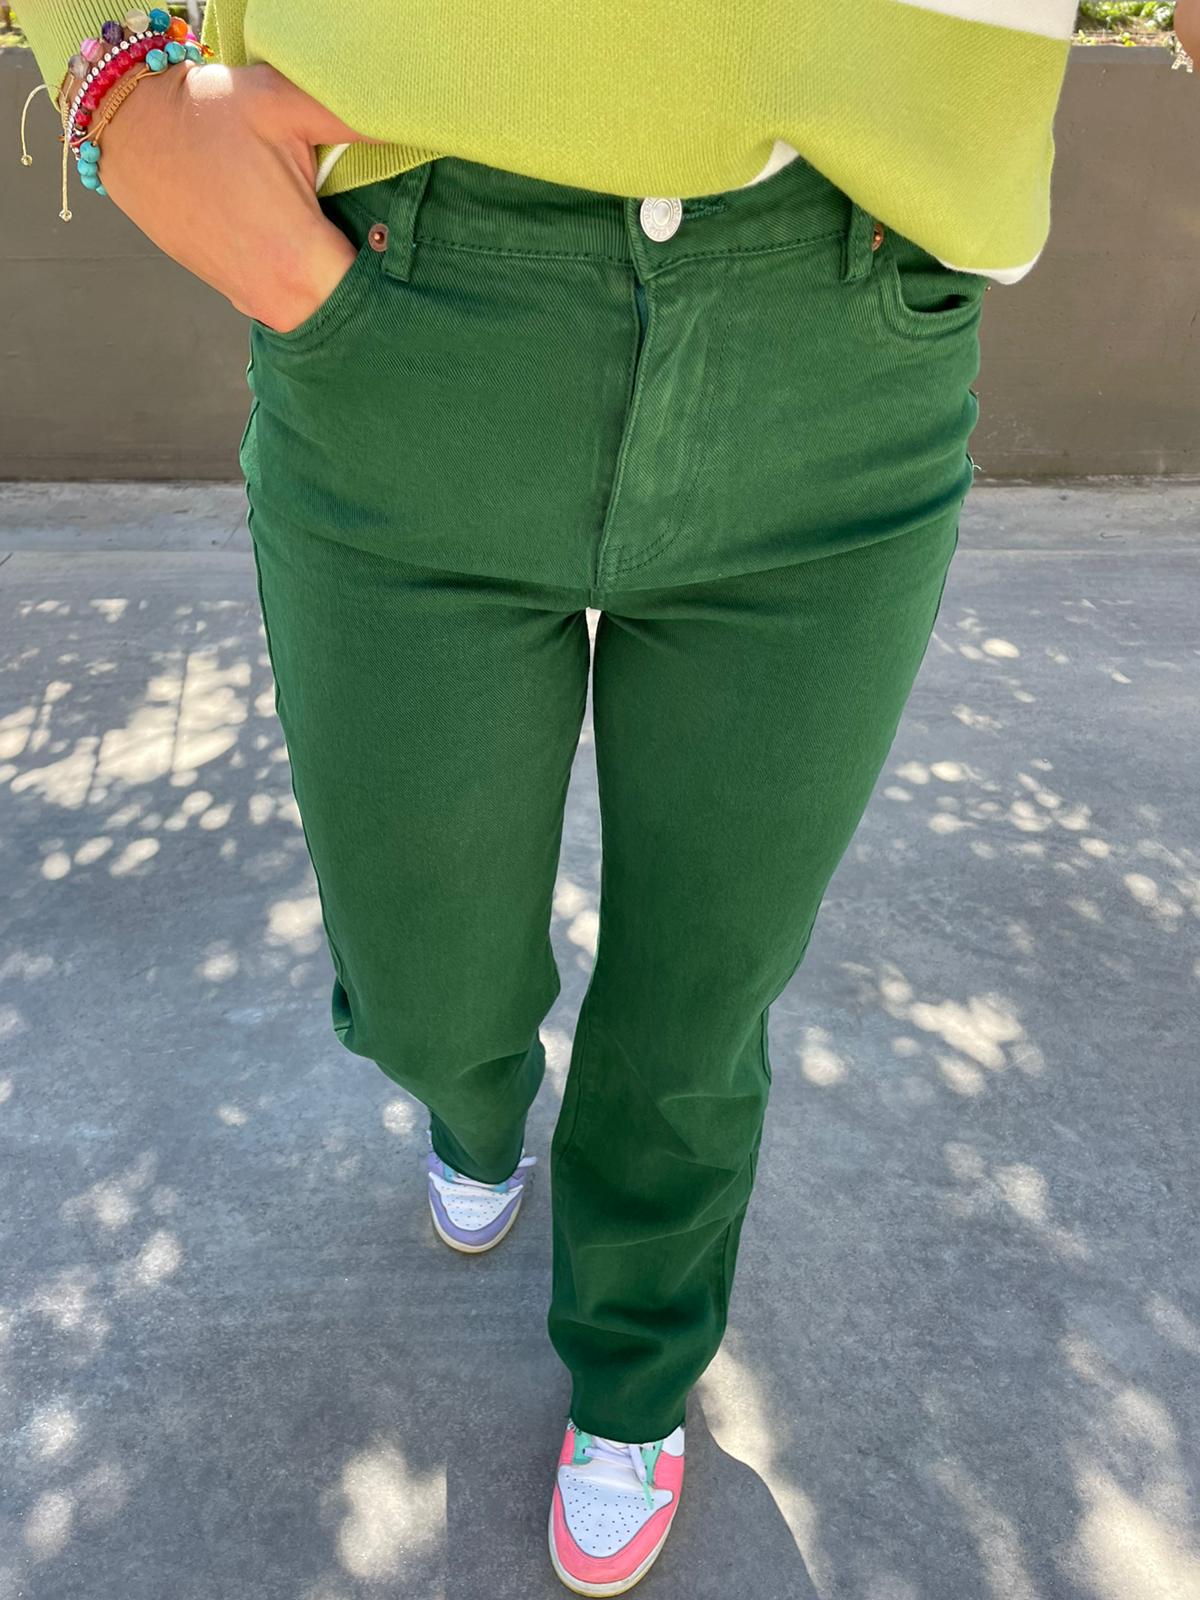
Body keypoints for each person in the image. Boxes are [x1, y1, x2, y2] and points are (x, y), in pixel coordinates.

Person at [25, 2, 1173, 1592]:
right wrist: (124, 91)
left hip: (845, 334)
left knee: (705, 987)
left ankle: (636, 1373)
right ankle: (475, 1095)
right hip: (409, 294)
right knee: (418, 973)